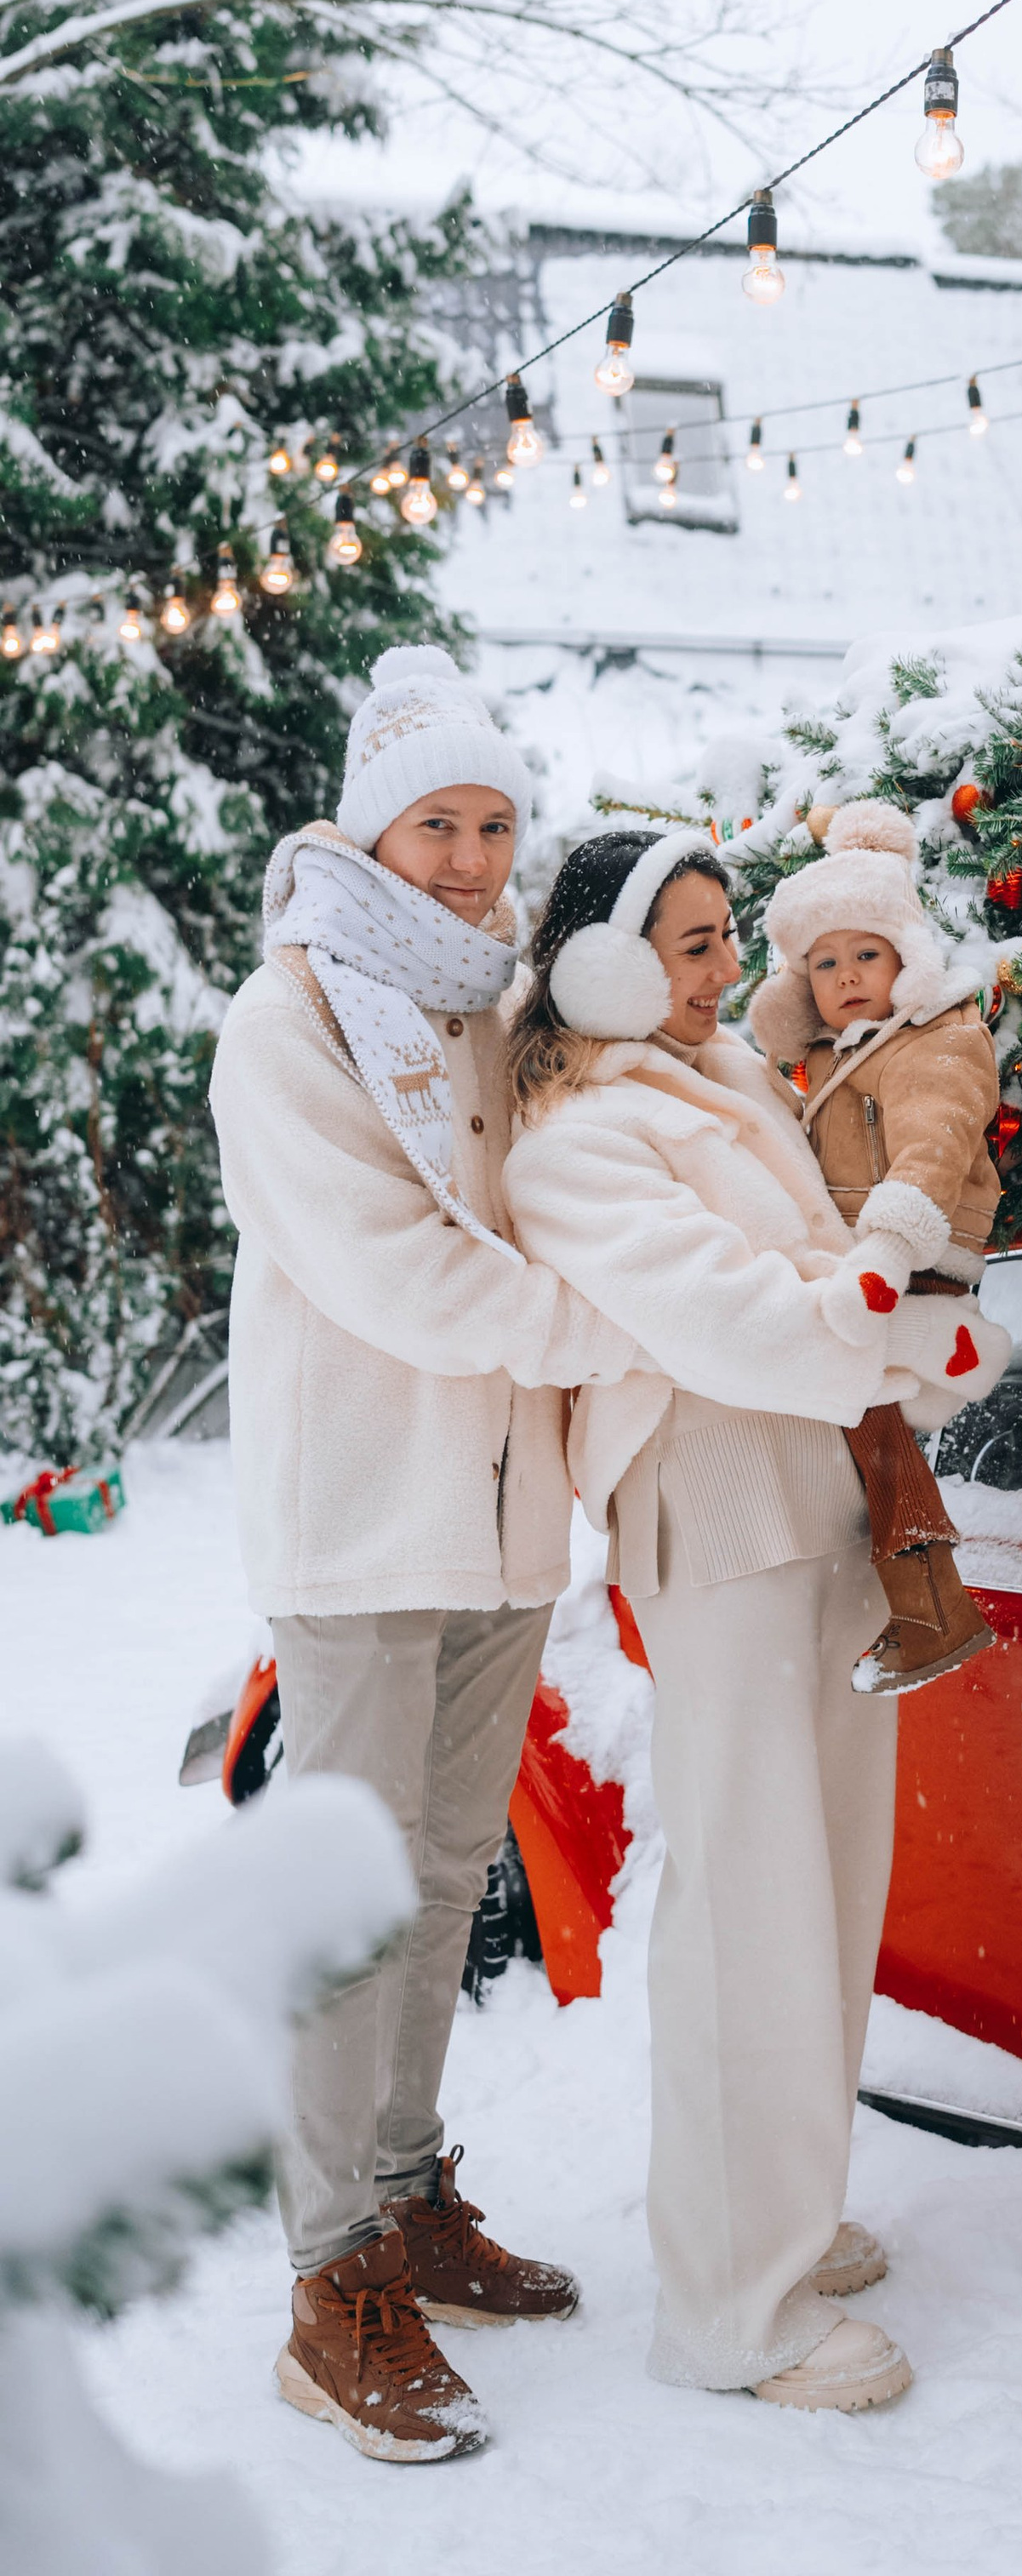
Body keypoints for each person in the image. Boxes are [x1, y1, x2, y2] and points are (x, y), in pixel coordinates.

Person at [500, 827, 1008, 2413]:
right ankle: (730, 2303)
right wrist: (918, 1346)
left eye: (731, 938)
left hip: (823, 1499)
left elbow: (826, 1288)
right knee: (748, 1903)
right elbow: (742, 1320)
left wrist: (918, 1341)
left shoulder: (717, 1084)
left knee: (830, 1885)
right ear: (603, 963)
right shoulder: (576, 1136)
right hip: (721, 1513)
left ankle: (781, 2215)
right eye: (699, 943)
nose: (737, 973)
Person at [208, 644, 642, 2467]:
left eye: (493, 824)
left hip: (495, 1526)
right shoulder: (292, 1017)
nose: (471, 859)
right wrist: (606, 1322)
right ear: (368, 827)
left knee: (450, 1875)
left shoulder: (489, 1008)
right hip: (367, 1523)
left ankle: (403, 2200)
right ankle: (330, 2288)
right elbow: (391, 1262)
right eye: (438, 824)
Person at [749, 798, 1002, 1693]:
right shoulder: (840, 1055)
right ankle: (924, 1602)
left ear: (907, 959)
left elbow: (935, 1144)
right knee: (863, 1425)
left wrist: (889, 1247)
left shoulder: (935, 1038)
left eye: (867, 954)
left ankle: (934, 1606)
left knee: (872, 1421)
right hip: (870, 1261)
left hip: (913, 1254)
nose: (847, 975)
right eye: (825, 962)